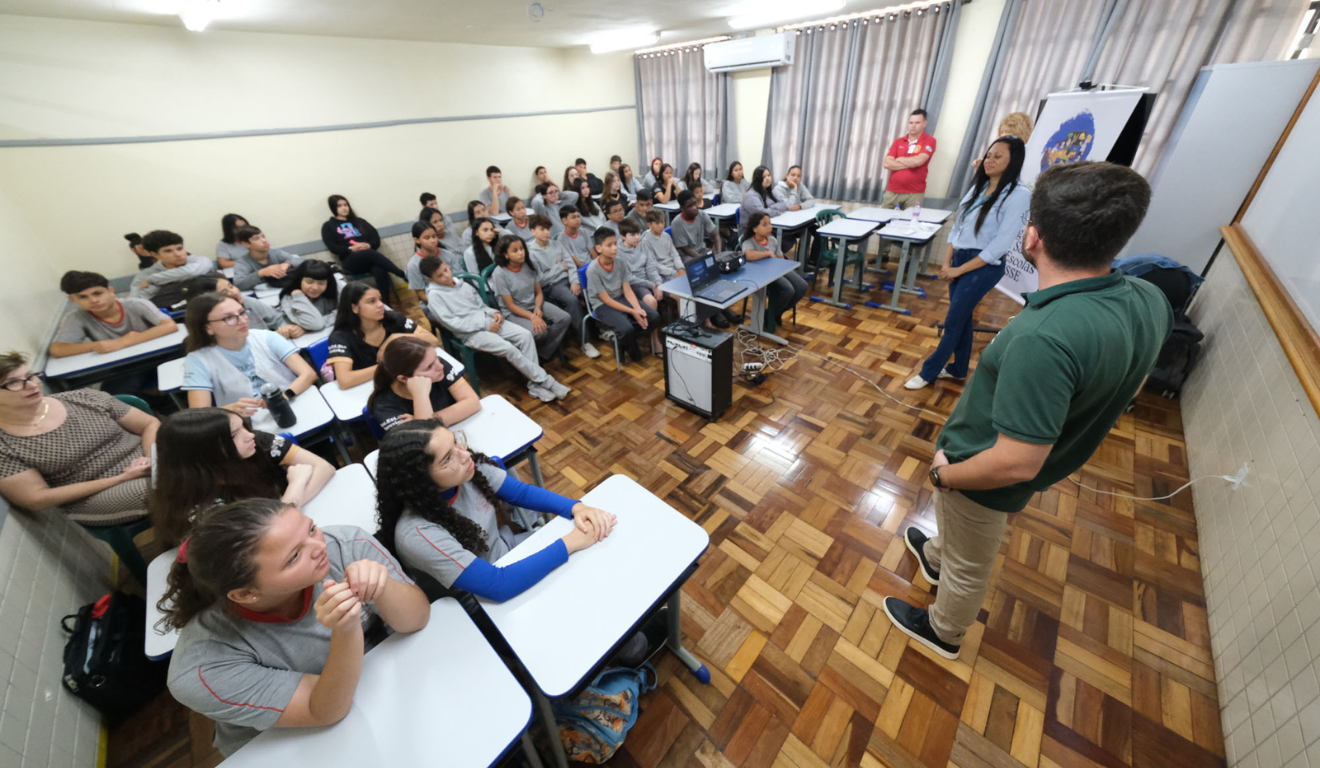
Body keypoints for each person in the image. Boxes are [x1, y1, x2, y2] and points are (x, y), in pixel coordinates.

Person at [883, 161, 1173, 662]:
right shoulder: (1150, 297)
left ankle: (943, 629)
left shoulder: (1043, 336)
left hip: (980, 472)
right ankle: (934, 557)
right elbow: (1132, 381)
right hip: (999, 460)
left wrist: (947, 476)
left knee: (971, 559)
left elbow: (1016, 463)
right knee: (957, 533)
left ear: (1032, 237)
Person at [160, 498, 430, 757]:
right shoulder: (202, 667)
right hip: (286, 744)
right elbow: (323, 711)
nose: (319, 546)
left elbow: (417, 618)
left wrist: (381, 589)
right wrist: (346, 629)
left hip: (375, 687)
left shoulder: (345, 545)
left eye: (311, 528)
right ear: (245, 594)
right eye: (294, 556)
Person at [374, 420, 615, 600]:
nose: (464, 454)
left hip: (505, 553)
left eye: (455, 441)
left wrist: (576, 506)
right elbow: (497, 586)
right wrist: (570, 543)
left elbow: (520, 493)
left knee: (595, 556)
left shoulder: (468, 469)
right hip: (475, 601)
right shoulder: (418, 534)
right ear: (420, 481)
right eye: (447, 458)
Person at [905, 137, 1032, 390]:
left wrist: (958, 270)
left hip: (984, 266)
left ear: (1013, 162)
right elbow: (958, 228)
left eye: (998, 157)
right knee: (961, 319)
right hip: (960, 259)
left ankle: (928, 372)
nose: (990, 160)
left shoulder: (1019, 195)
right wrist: (946, 262)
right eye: (989, 155)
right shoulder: (977, 188)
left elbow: (999, 246)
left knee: (953, 321)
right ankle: (958, 369)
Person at [0, 353, 158, 528]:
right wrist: (122, 478)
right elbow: (36, 498)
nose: (31, 385)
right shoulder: (3, 444)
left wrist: (151, 458)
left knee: (186, 463)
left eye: (30, 376)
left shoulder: (83, 397)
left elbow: (148, 424)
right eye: (13, 382)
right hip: (94, 495)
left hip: (144, 459)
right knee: (162, 487)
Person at [149, 408, 336, 548]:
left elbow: (324, 467)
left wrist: (289, 505)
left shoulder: (256, 441)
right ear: (204, 453)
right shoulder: (195, 505)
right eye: (234, 435)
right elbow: (266, 539)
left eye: (243, 426)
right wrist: (296, 484)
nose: (249, 436)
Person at [421, 256, 571, 402]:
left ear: (446, 265)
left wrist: (494, 312)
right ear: (431, 280)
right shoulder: (435, 296)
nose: (446, 276)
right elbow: (452, 323)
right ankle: (547, 382)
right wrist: (485, 324)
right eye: (440, 276)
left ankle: (534, 385)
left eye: (446, 270)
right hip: (470, 333)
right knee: (509, 349)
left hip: (489, 321)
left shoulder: (462, 284)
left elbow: (481, 306)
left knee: (525, 335)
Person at [180, 293, 318, 414]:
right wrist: (230, 409)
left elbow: (308, 374)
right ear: (207, 328)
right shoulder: (197, 360)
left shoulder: (266, 337)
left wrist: (286, 395)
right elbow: (199, 412)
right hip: (244, 423)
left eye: (242, 312)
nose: (243, 321)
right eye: (228, 318)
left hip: (292, 401)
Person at [326, 282, 436, 390]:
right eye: (372, 301)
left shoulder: (393, 319)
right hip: (366, 390)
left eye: (380, 299)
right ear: (354, 308)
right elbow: (345, 380)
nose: (380, 305)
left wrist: (397, 338)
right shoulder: (340, 336)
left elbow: (432, 340)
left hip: (401, 383)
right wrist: (390, 366)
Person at [51, 271, 178, 359]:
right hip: (124, 365)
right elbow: (57, 349)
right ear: (73, 300)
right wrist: (96, 346)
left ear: (110, 291)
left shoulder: (136, 304)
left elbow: (169, 325)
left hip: (158, 353)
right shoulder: (76, 317)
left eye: (97, 293)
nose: (93, 300)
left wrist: (123, 342)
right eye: (83, 297)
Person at [366, 335, 480, 431]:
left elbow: (473, 402)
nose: (440, 366)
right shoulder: (383, 405)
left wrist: (421, 419)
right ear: (404, 379)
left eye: (436, 357)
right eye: (429, 367)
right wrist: (420, 395)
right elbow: (424, 438)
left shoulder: (439, 366)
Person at [527, 215, 598, 359]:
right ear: (533, 231)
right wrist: (560, 267)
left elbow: (570, 265)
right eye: (542, 229)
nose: (547, 232)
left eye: (548, 229)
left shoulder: (556, 244)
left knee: (593, 288)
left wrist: (574, 282)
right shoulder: (530, 252)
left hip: (568, 279)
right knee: (571, 299)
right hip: (551, 286)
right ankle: (585, 341)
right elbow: (540, 279)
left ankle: (602, 328)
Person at [490, 235, 570, 361]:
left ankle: (543, 353)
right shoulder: (500, 273)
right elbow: (510, 306)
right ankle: (535, 355)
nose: (521, 253)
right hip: (513, 311)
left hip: (533, 304)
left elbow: (538, 292)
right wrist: (532, 317)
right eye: (515, 251)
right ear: (506, 255)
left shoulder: (529, 265)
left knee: (564, 318)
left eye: (522, 249)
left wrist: (537, 308)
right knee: (540, 332)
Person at [585, 228, 660, 361]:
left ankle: (619, 340)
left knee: (653, 316)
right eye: (609, 245)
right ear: (599, 248)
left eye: (615, 243)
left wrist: (637, 309)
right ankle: (632, 351)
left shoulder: (619, 262)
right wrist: (632, 311)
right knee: (627, 329)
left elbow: (627, 290)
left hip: (620, 297)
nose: (614, 248)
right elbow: (606, 299)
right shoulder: (593, 270)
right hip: (602, 304)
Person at [320, 195, 407, 301]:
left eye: (346, 204)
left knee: (379, 269)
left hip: (369, 257)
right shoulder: (329, 226)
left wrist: (369, 245)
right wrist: (351, 249)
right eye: (339, 206)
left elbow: (375, 238)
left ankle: (386, 305)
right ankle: (400, 273)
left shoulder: (359, 221)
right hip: (350, 261)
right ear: (333, 208)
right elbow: (332, 247)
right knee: (367, 253)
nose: (344, 208)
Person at [740, 212, 809, 326]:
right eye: (765, 224)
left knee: (802, 286)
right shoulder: (748, 242)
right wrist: (767, 253)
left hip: (777, 270)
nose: (770, 227)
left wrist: (782, 265)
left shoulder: (772, 240)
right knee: (788, 290)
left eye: (770, 223)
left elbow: (781, 258)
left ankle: (772, 314)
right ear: (755, 229)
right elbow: (748, 255)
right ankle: (772, 315)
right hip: (763, 276)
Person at [185, 274, 302, 340]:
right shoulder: (211, 325)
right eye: (224, 292)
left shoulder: (246, 301)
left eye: (231, 286)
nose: (234, 292)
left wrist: (286, 329)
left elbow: (277, 319)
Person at [131, 230, 215, 311]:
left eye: (180, 248)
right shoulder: (143, 276)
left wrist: (153, 279)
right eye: (168, 251)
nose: (178, 254)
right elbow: (135, 305)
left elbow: (191, 272)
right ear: (155, 254)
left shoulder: (200, 261)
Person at [231, 226, 304, 291]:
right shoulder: (242, 262)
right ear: (246, 244)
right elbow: (238, 284)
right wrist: (261, 273)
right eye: (256, 238)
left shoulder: (274, 252)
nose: (264, 240)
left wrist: (287, 264)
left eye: (263, 236)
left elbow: (301, 261)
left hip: (282, 290)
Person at [277, 260, 340, 333]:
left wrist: (306, 327)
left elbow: (347, 312)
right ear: (299, 280)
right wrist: (298, 296)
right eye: (309, 282)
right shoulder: (289, 298)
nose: (315, 287)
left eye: (321, 283)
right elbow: (316, 324)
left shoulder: (335, 289)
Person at [616, 218, 661, 303]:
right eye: (632, 235)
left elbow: (651, 267)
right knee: (651, 301)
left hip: (650, 281)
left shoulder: (643, 245)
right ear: (623, 236)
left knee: (677, 292)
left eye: (638, 233)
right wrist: (652, 285)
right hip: (634, 284)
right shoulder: (618, 253)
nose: (637, 237)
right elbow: (629, 277)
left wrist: (657, 284)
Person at [670, 191, 721, 259]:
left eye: (695, 203)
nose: (694, 208)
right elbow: (685, 249)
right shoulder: (676, 223)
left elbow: (716, 236)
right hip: (686, 255)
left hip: (702, 250)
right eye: (689, 206)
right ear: (682, 208)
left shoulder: (702, 214)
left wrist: (718, 255)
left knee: (721, 243)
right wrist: (704, 260)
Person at [641, 210, 685, 280]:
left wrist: (680, 268)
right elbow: (653, 264)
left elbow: (674, 254)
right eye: (657, 223)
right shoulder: (645, 241)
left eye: (662, 222)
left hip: (673, 268)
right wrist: (673, 272)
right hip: (662, 273)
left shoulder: (666, 236)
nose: (661, 226)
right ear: (649, 225)